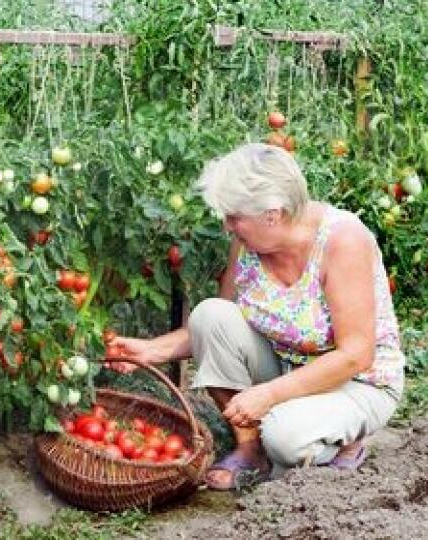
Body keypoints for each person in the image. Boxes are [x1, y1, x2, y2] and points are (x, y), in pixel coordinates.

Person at [107, 143, 404, 490]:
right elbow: (218, 327)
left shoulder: (342, 242)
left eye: (234, 217)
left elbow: (356, 354)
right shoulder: (249, 243)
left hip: (356, 382)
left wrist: (269, 396)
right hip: (287, 365)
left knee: (283, 436)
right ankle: (250, 451)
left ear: (272, 214)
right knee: (210, 315)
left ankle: (342, 441)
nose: (227, 226)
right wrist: (151, 351)